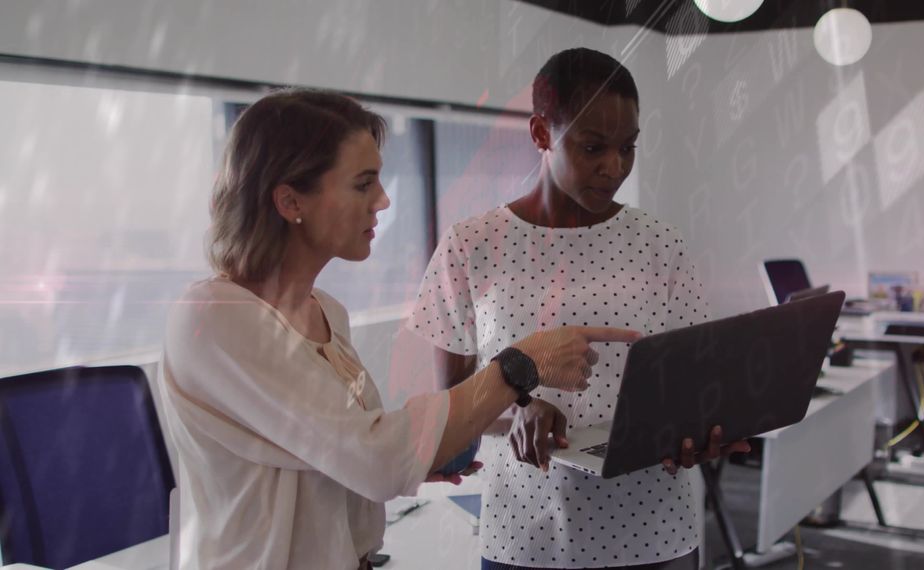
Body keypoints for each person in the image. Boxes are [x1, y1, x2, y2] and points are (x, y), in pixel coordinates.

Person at [158, 89, 640, 569]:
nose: (383, 200)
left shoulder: (324, 310)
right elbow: (374, 458)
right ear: (289, 200)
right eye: (363, 184)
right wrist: (520, 365)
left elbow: (345, 449)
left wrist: (433, 447)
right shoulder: (215, 315)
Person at [408, 48, 750, 570]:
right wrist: (515, 409)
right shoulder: (471, 245)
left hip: (655, 531)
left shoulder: (661, 245)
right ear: (542, 133)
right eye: (592, 147)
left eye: (628, 148)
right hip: (527, 534)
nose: (614, 167)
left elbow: (697, 382)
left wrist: (700, 433)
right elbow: (448, 408)